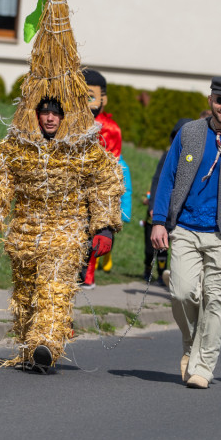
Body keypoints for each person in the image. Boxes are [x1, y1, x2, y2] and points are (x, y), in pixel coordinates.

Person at [0, 96, 123, 372]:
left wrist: (105, 228)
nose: (50, 118)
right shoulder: (16, 148)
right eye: (44, 112)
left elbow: (104, 185)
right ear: (34, 114)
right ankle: (30, 351)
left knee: (54, 290)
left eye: (57, 113)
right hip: (26, 233)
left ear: (66, 116)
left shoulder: (84, 149)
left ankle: (47, 344)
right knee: (25, 296)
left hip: (67, 233)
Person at [150, 77, 221, 390]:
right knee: (183, 292)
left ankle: (202, 366)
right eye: (219, 100)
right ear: (211, 100)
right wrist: (160, 220)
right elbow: (168, 177)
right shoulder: (189, 133)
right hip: (185, 228)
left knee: (215, 301)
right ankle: (191, 344)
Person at [80, 69, 130, 286]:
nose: (85, 101)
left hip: (98, 187)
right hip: (73, 187)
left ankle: (87, 275)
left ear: (104, 99)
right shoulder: (69, 122)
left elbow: (111, 163)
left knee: (94, 228)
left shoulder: (110, 129)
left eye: (90, 96)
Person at [143, 118, 190, 284]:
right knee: (161, 244)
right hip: (166, 208)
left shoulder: (194, 158)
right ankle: (161, 274)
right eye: (178, 135)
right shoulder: (168, 155)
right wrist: (154, 206)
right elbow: (158, 180)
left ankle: (176, 277)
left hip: (183, 212)